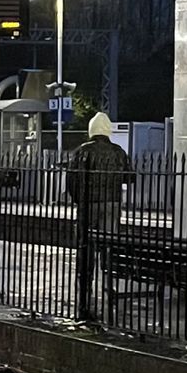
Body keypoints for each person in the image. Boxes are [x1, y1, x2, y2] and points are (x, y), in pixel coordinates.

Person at [66, 113, 133, 319]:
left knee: (86, 248)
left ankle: (85, 289)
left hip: (88, 206)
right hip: (111, 206)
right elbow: (130, 178)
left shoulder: (81, 152)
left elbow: (71, 181)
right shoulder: (118, 152)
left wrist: (79, 200)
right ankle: (109, 284)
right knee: (108, 246)